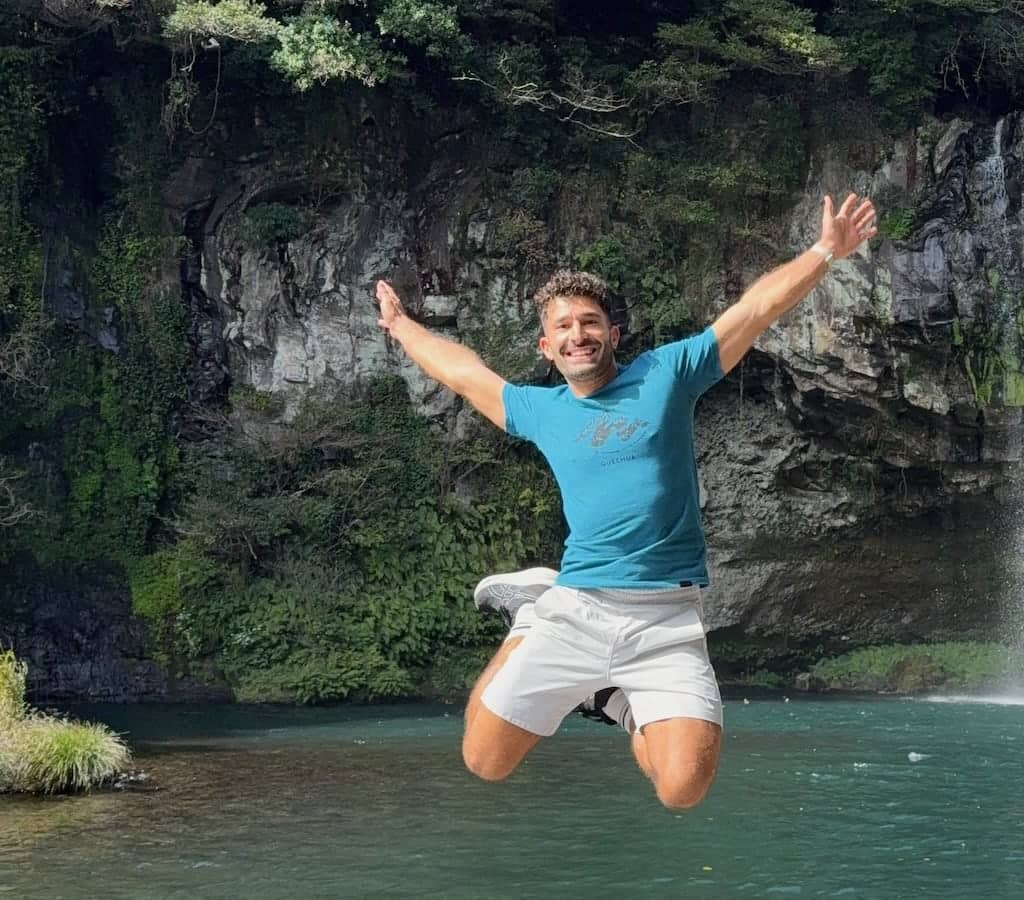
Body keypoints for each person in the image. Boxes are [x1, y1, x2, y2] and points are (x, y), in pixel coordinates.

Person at [374, 193, 877, 808]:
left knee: (681, 790)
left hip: (666, 619)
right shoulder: (539, 409)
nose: (577, 335)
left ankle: (615, 700)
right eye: (563, 326)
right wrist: (401, 326)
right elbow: (461, 371)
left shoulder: (666, 374)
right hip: (576, 607)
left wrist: (826, 251)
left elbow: (754, 310)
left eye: (589, 323)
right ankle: (528, 615)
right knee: (485, 761)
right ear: (545, 347)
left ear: (612, 334)